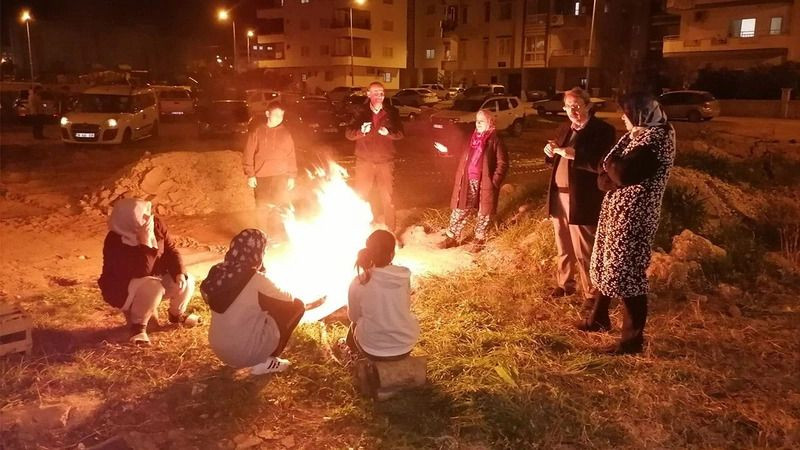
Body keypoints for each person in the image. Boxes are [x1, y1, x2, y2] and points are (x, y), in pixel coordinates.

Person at [585, 92, 676, 355]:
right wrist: (612, 170)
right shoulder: (637, 135)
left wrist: (611, 166)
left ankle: (631, 341)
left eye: (626, 113)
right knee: (606, 263)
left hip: (635, 217)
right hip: (616, 211)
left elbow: (621, 173)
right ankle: (598, 319)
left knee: (628, 273)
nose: (623, 118)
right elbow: (607, 175)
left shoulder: (656, 138)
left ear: (639, 114)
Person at [543, 87, 616, 306]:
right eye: (568, 107)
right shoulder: (565, 129)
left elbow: (605, 164)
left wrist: (576, 155)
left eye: (577, 106)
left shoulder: (602, 130)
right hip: (559, 196)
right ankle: (565, 284)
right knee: (563, 245)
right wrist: (549, 152)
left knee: (584, 248)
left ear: (588, 106)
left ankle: (591, 294)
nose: (573, 111)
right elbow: (556, 159)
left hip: (582, 198)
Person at [202, 229, 307, 375]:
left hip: (219, 348)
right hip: (243, 353)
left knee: (260, 304)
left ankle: (251, 350)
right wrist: (263, 275)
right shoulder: (254, 278)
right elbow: (288, 299)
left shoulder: (218, 271)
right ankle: (266, 360)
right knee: (297, 307)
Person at [98, 198, 199, 346]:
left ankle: (176, 315)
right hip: (124, 288)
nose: (148, 217)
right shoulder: (115, 241)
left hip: (152, 279)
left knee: (187, 280)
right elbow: (142, 271)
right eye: (142, 214)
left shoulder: (155, 225)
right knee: (153, 287)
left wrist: (178, 272)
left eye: (148, 212)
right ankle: (138, 328)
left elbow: (171, 250)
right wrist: (145, 243)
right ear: (128, 218)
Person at [437, 109, 509, 253]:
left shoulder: (495, 140)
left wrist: (494, 181)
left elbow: (503, 163)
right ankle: (452, 237)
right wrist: (447, 150)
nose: (478, 123)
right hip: (468, 180)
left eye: (482, 120)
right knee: (460, 208)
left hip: (485, 182)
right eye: (477, 120)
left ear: (490, 122)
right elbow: (461, 153)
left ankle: (479, 239)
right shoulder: (472, 138)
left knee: (484, 211)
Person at [345, 230, 419, 361]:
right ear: (392, 254)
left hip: (372, 349)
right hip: (405, 346)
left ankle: (352, 353)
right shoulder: (403, 276)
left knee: (354, 325)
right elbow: (406, 306)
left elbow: (354, 317)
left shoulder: (359, 281)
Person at [345, 82, 404, 232]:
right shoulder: (360, 112)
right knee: (361, 196)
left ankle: (391, 232)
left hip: (385, 162)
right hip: (365, 162)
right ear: (368, 94)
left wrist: (389, 133)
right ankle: (358, 229)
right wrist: (361, 131)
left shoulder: (392, 112)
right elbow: (349, 134)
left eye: (382, 92)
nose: (379, 95)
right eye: (376, 92)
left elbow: (401, 134)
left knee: (388, 198)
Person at [243, 101, 297, 241]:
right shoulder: (257, 132)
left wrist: (292, 176)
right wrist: (251, 175)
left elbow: (291, 155)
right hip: (262, 176)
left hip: (281, 176)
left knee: (280, 206)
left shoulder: (285, 134)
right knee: (262, 208)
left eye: (282, 115)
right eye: (276, 114)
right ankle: (262, 237)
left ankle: (279, 236)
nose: (279, 117)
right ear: (267, 114)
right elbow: (248, 153)